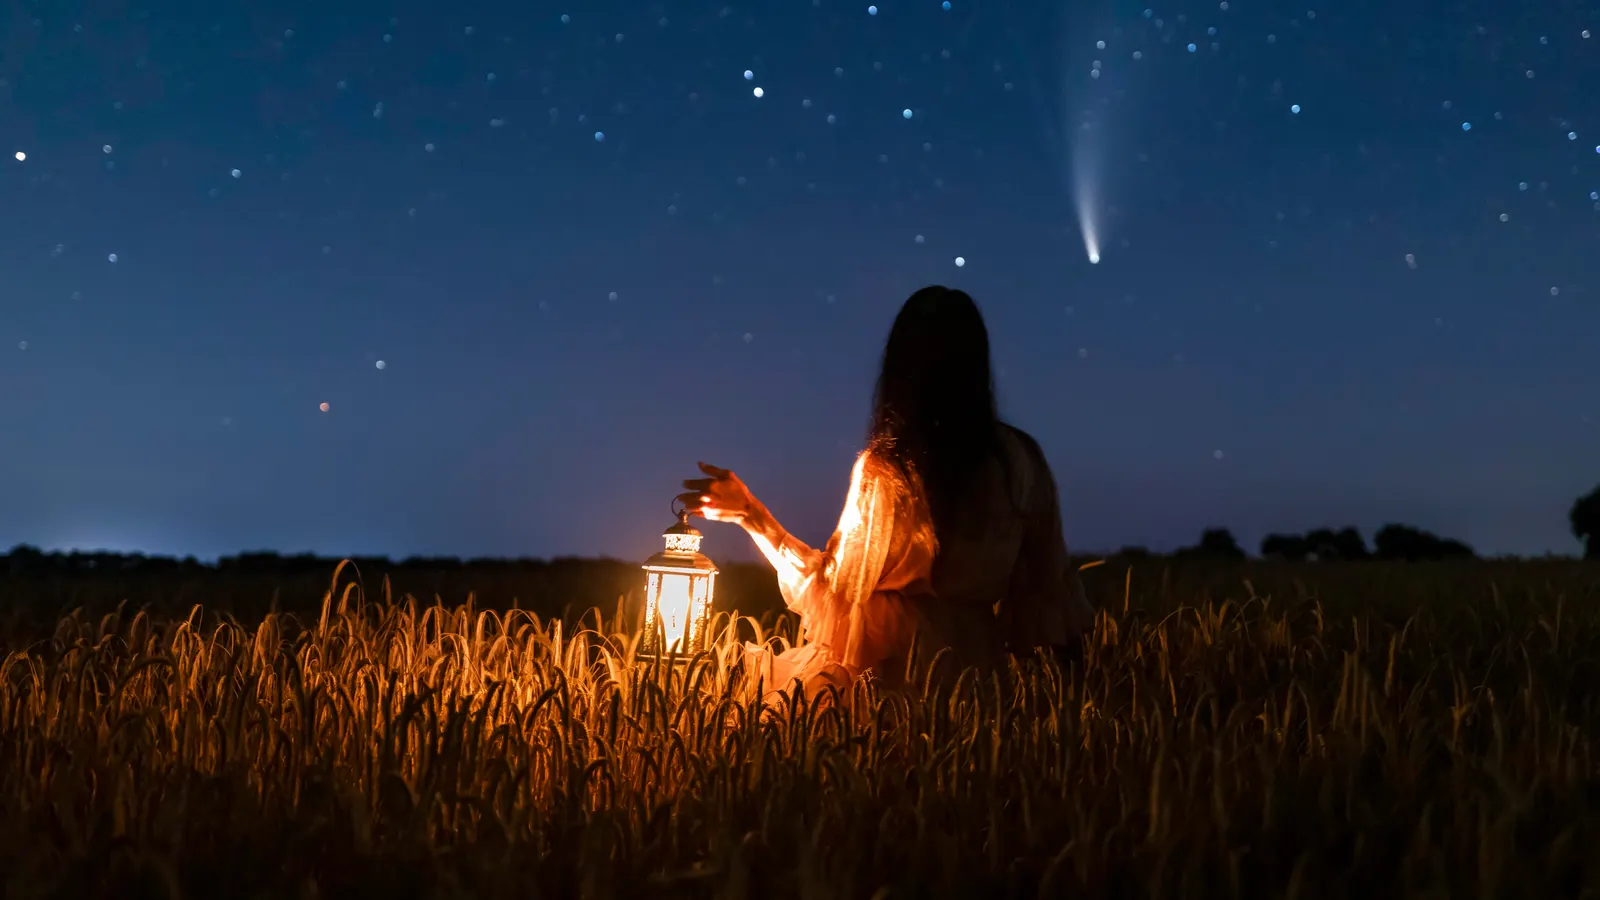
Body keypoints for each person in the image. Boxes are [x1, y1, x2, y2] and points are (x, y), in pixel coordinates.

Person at [677, 286, 1095, 699]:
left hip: (888, 686)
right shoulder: (1021, 460)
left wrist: (752, 516)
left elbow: (836, 593)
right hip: (979, 688)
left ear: (900, 367)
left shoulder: (890, 470)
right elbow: (1050, 592)